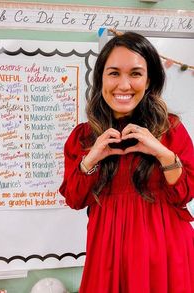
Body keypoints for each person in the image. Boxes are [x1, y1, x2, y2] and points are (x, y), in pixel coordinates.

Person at [59, 31, 194, 293]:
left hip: (167, 256)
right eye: (114, 73)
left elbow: (186, 194)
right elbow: (75, 199)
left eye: (135, 73)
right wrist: (92, 157)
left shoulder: (172, 128)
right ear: (100, 78)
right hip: (108, 257)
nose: (124, 85)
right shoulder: (83, 137)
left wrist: (162, 152)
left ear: (149, 79)